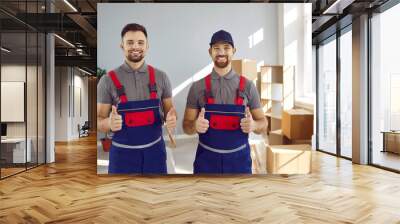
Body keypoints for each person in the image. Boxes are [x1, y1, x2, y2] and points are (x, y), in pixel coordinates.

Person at [183, 30, 267, 174]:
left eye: (226, 48)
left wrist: (254, 125)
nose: (221, 52)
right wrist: (195, 125)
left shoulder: (248, 86)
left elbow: (263, 124)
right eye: (216, 48)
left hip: (239, 162)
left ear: (234, 51)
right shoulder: (197, 87)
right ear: (210, 51)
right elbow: (186, 126)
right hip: (206, 163)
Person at [97, 23, 176, 174]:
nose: (135, 47)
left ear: (147, 46)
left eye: (140, 42)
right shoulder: (107, 80)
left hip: (155, 155)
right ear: (122, 46)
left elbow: (169, 112)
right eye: (130, 42)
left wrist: (172, 118)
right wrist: (108, 122)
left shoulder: (161, 77)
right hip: (122, 157)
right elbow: (99, 121)